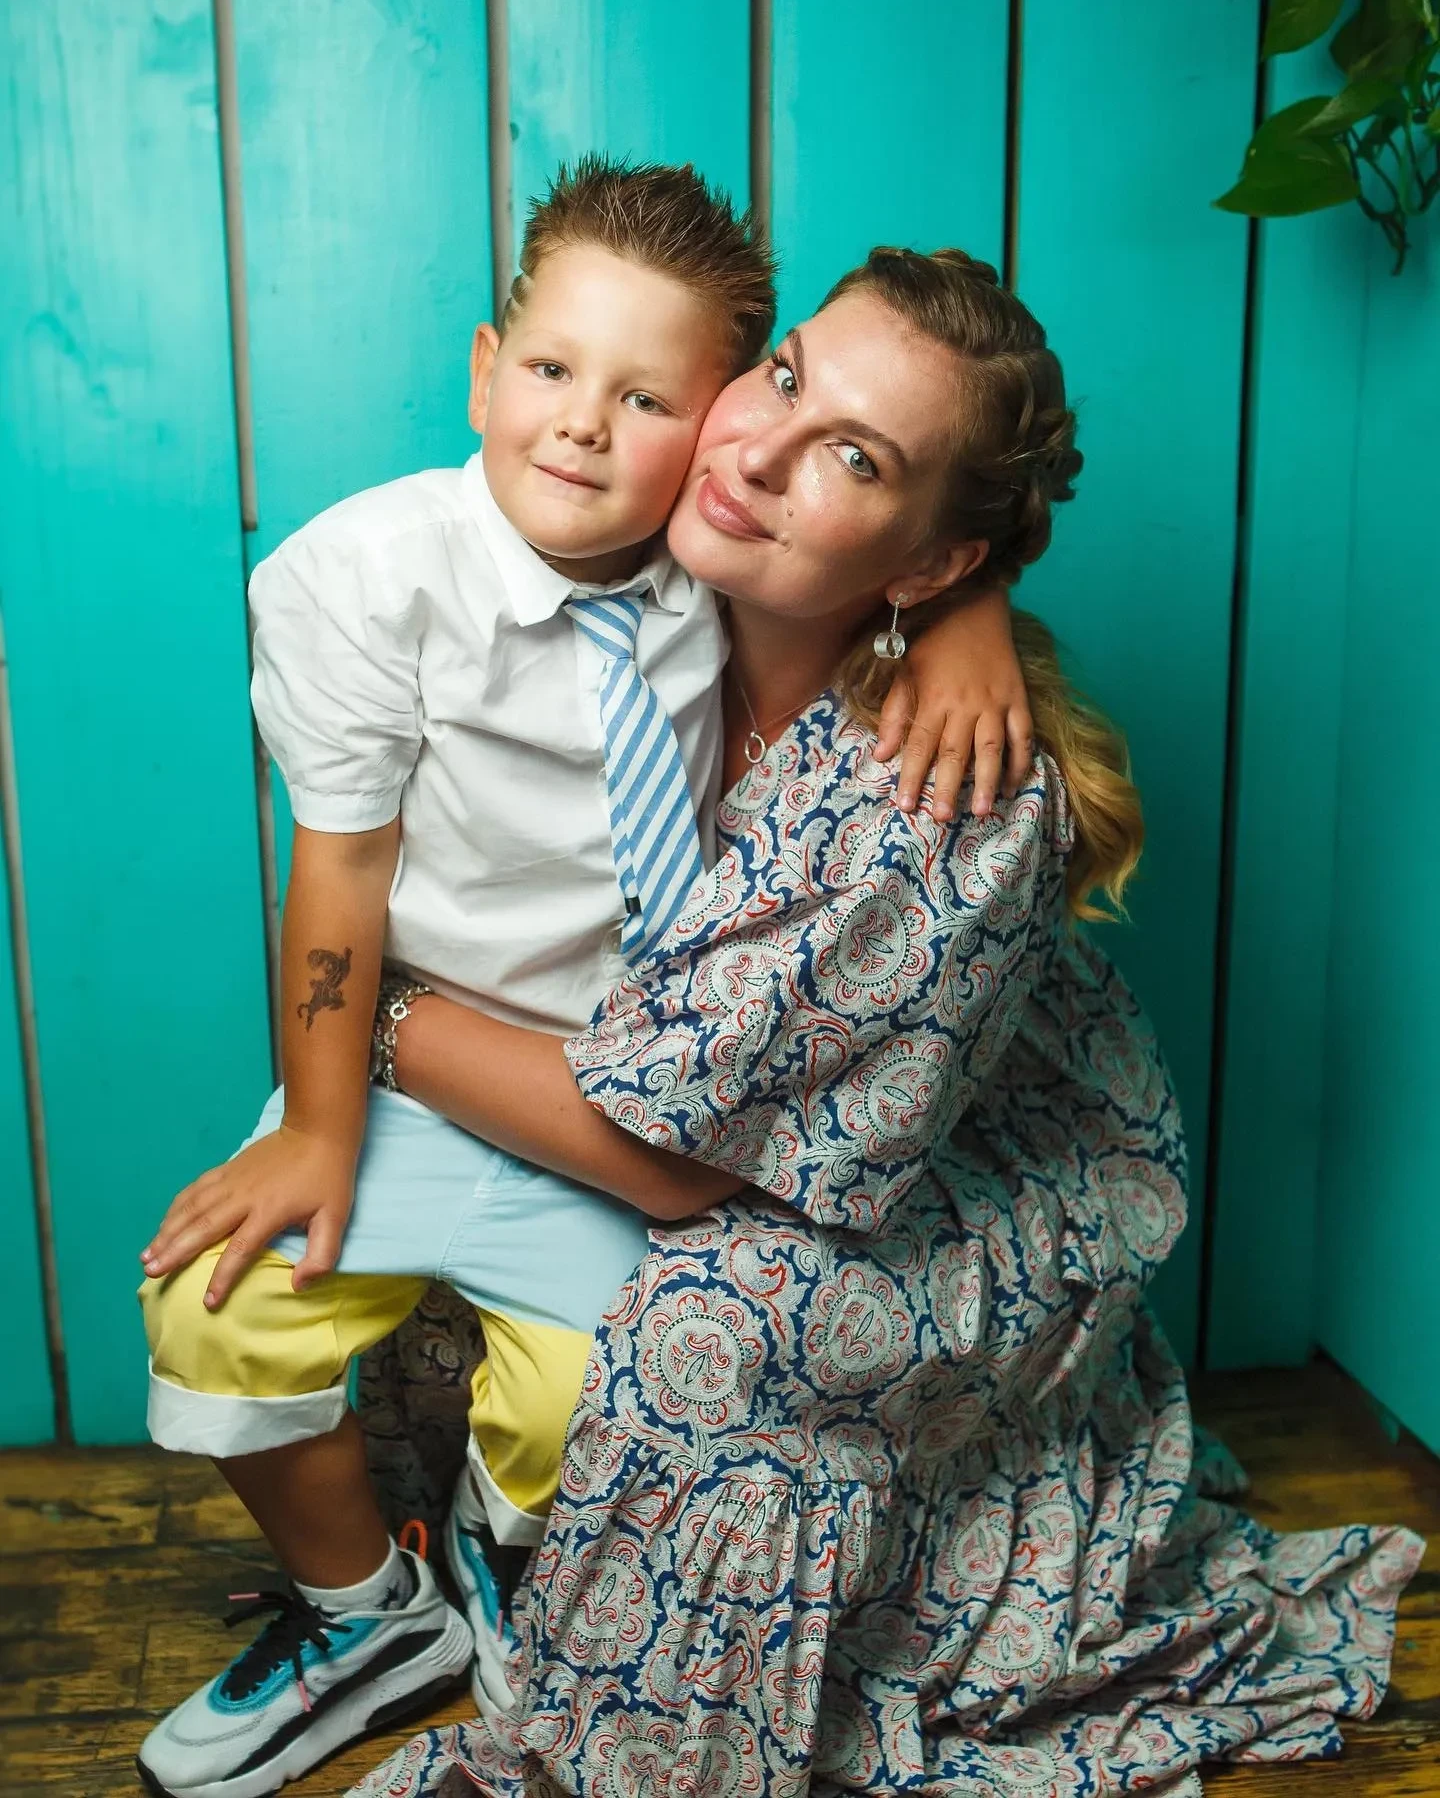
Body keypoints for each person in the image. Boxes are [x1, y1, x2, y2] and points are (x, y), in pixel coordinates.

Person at [349, 246, 1424, 1798]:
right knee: (399, 1206)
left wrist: (369, 1013)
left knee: (709, 1322)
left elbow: (676, 1167)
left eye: (854, 458)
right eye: (782, 377)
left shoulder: (946, 797)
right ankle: (459, 1555)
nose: (759, 453)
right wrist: (970, 591)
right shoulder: (651, 540)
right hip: (694, 1084)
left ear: (929, 559)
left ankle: (651, 1714)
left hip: (952, 1179)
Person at [133, 163, 1032, 1798]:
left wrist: (970, 610)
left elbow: (890, 551)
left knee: (595, 1401)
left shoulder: (752, 602)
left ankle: (502, 1558)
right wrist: (320, 1127)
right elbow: (337, 872)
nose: (588, 428)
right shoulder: (408, 576)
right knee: (221, 1310)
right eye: (551, 372)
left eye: (648, 400)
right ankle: (366, 1613)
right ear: (487, 371)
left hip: (669, 1121)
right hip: (448, 1087)